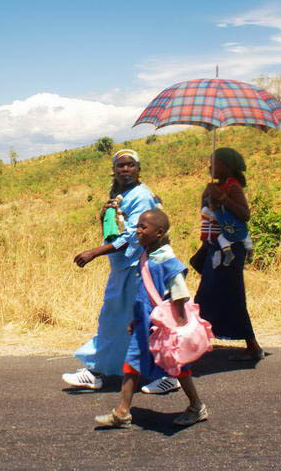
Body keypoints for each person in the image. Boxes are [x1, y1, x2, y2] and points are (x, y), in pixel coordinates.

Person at [64, 149, 177, 393]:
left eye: (130, 165)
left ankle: (168, 373)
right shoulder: (121, 194)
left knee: (133, 320)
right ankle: (105, 370)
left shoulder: (141, 196)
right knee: (124, 320)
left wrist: (94, 252)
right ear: (114, 170)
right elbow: (116, 227)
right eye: (120, 166)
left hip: (136, 268)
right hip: (123, 267)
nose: (125, 169)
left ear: (138, 169)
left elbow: (133, 236)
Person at [94, 209, 207, 428]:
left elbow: (179, 294)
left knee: (177, 366)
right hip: (144, 323)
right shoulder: (146, 255)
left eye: (143, 227)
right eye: (137, 226)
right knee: (132, 363)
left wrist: (180, 329)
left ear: (159, 232)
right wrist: (136, 319)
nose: (137, 231)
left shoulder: (167, 261)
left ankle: (196, 406)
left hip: (164, 326)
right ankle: (122, 412)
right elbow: (143, 294)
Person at [194, 148, 264, 361]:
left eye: (214, 162)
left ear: (226, 165)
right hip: (213, 246)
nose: (210, 167)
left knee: (231, 294)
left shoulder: (233, 186)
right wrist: (209, 196)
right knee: (208, 295)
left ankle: (253, 346)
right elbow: (208, 213)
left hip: (230, 250)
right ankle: (198, 340)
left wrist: (221, 197)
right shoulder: (214, 186)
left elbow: (245, 214)